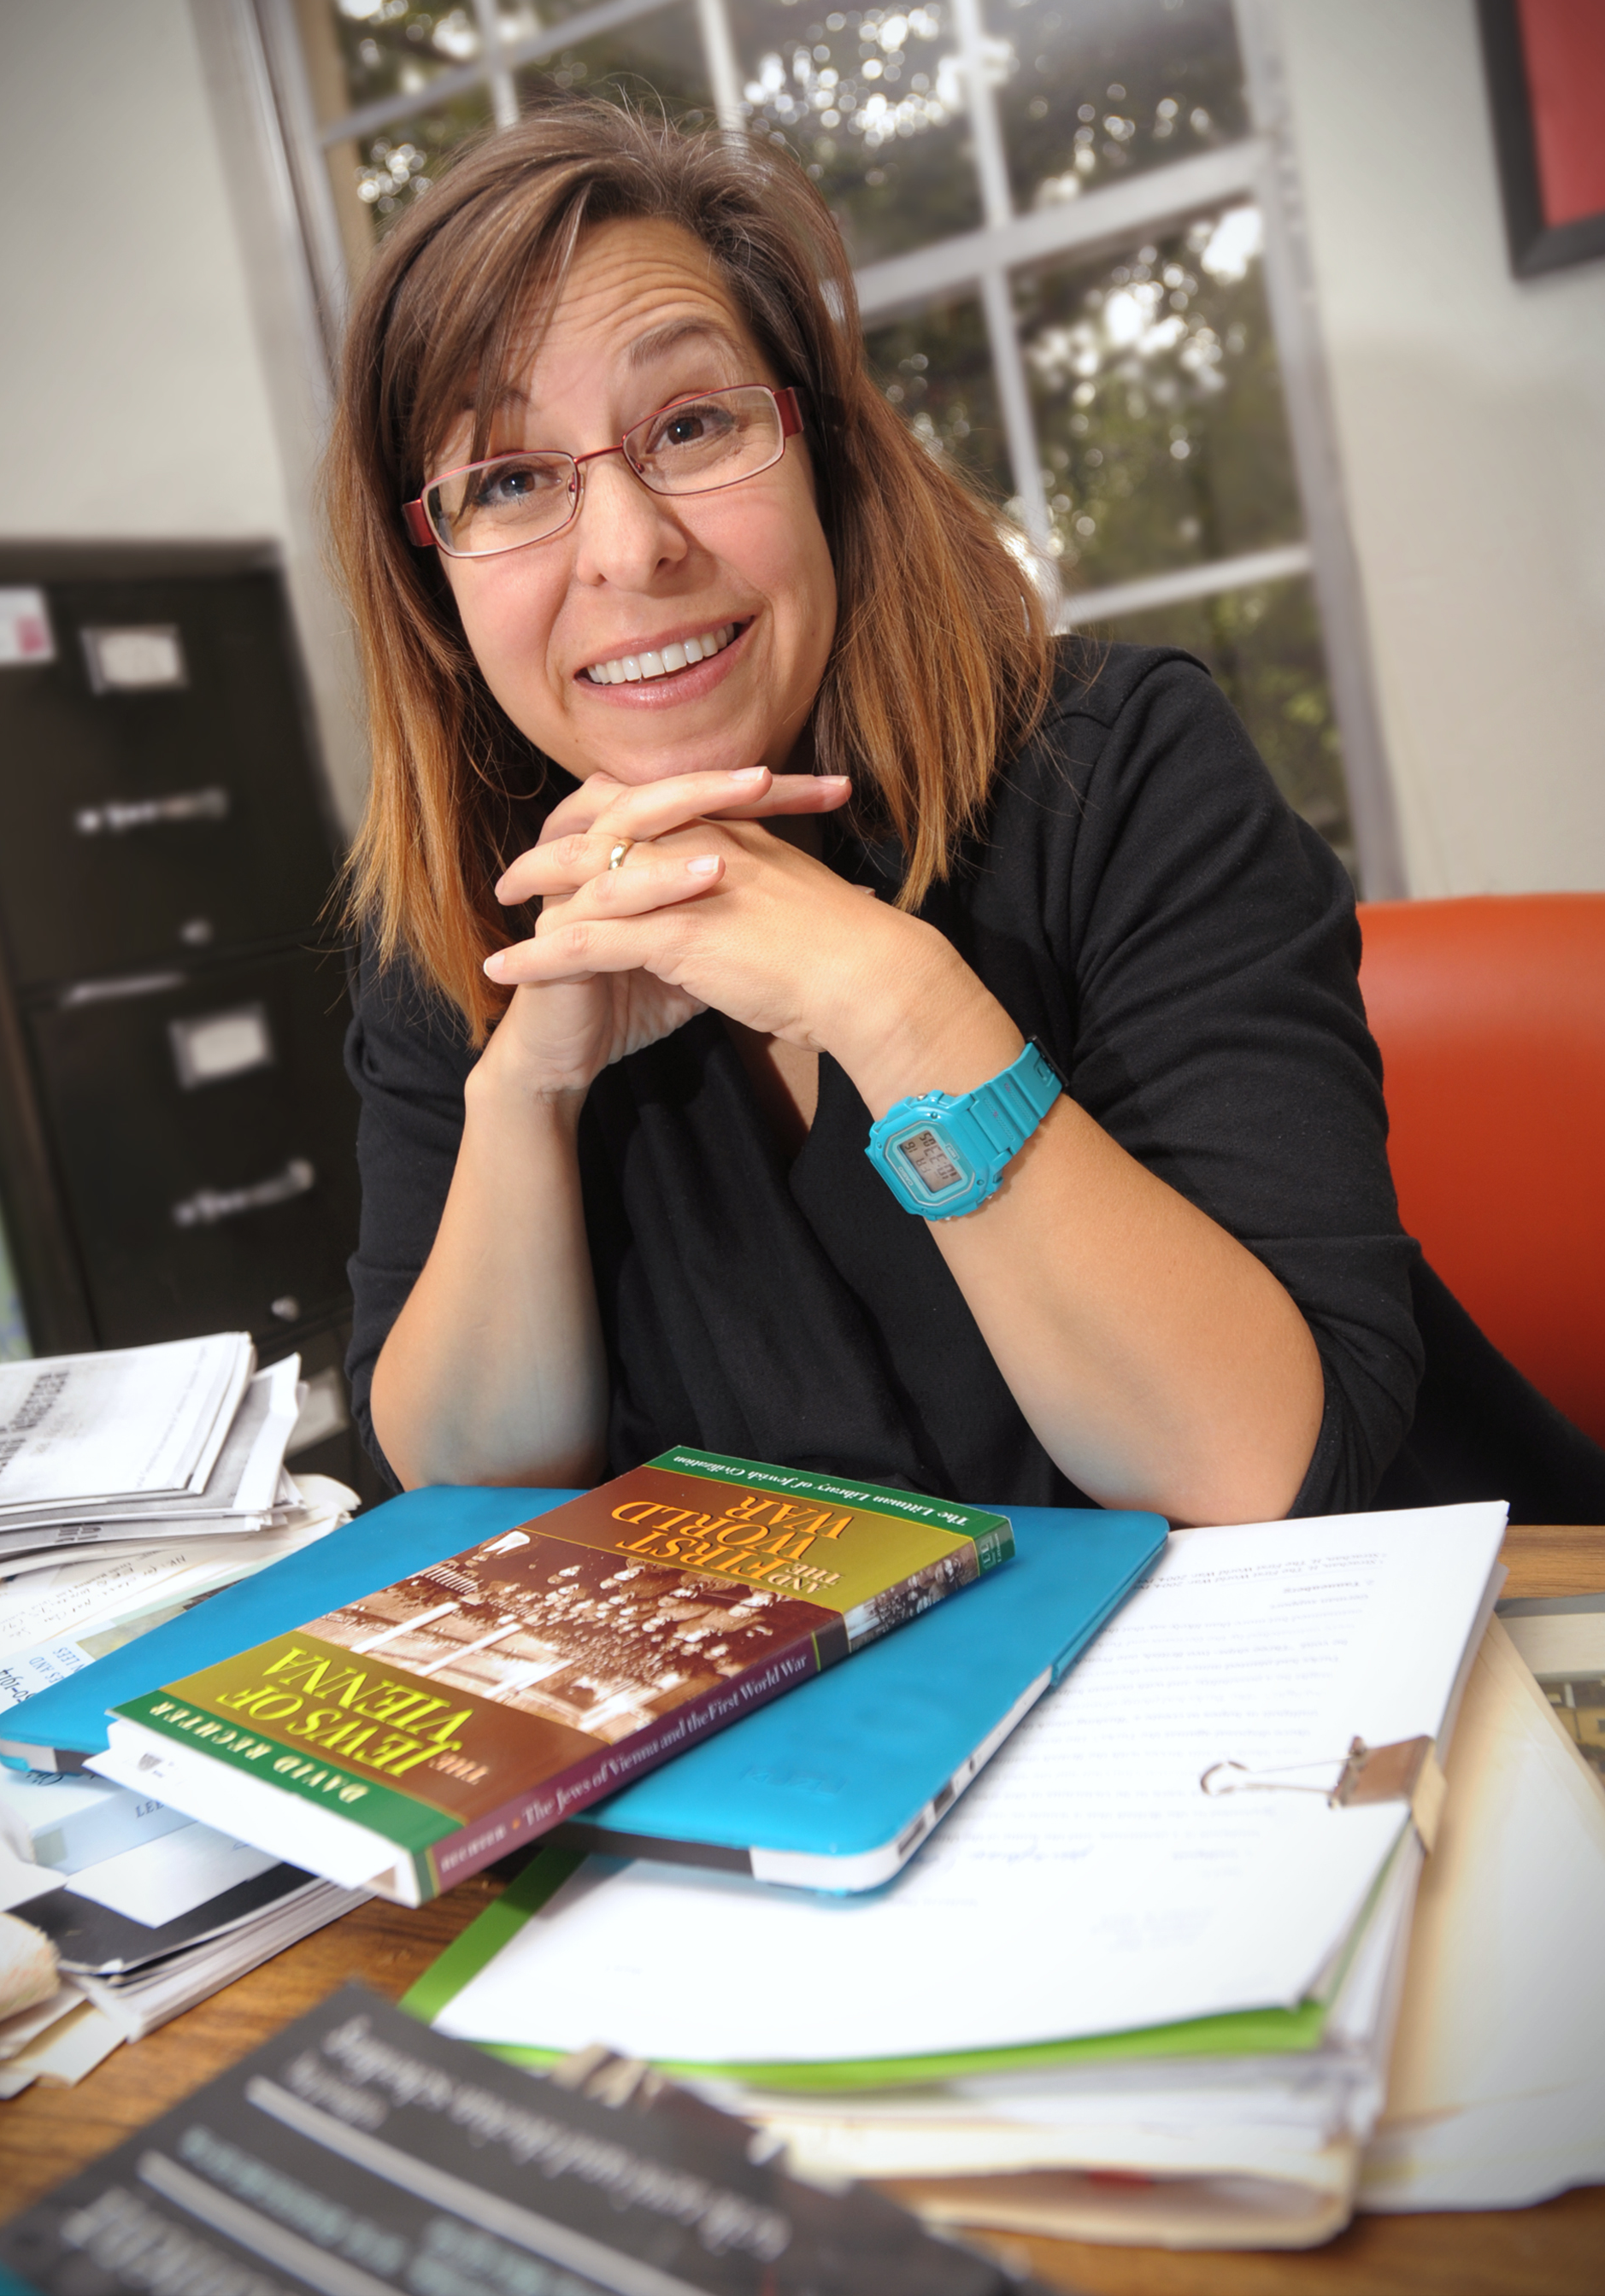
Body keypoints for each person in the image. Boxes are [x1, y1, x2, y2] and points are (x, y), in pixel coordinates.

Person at [329, 102, 1421, 1528]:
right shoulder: (469, 905)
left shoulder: (1123, 769)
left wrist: (891, 1004)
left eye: (693, 424)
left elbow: (1258, 1468)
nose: (630, 546)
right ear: (438, 587)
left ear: (824, 459)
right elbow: (459, 1486)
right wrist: (525, 1098)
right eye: (514, 480)